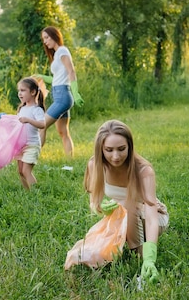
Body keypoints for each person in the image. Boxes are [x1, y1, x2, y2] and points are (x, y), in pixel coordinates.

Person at [84, 120, 169, 282]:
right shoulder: (94, 165)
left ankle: (141, 253)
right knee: (95, 253)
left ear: (129, 147)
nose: (115, 156)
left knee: (128, 204)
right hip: (122, 216)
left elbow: (151, 216)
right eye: (109, 150)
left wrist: (150, 257)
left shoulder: (143, 170)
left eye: (121, 149)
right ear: (100, 149)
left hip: (152, 218)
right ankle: (132, 247)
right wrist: (101, 208)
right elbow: (94, 201)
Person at [35, 26, 84, 158]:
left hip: (63, 96)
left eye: (47, 37)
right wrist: (42, 77)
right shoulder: (57, 54)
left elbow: (71, 71)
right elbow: (58, 78)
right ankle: (70, 160)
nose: (45, 41)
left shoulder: (62, 51)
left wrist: (76, 92)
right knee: (63, 132)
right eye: (43, 39)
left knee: (41, 125)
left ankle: (30, 159)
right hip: (59, 95)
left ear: (55, 36)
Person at [16, 77, 46, 190]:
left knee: (26, 170)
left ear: (33, 92)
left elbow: (42, 124)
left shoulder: (36, 109)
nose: (20, 93)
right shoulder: (22, 108)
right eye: (19, 90)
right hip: (21, 145)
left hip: (32, 145)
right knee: (20, 171)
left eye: (23, 90)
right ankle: (27, 192)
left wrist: (28, 120)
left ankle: (35, 194)